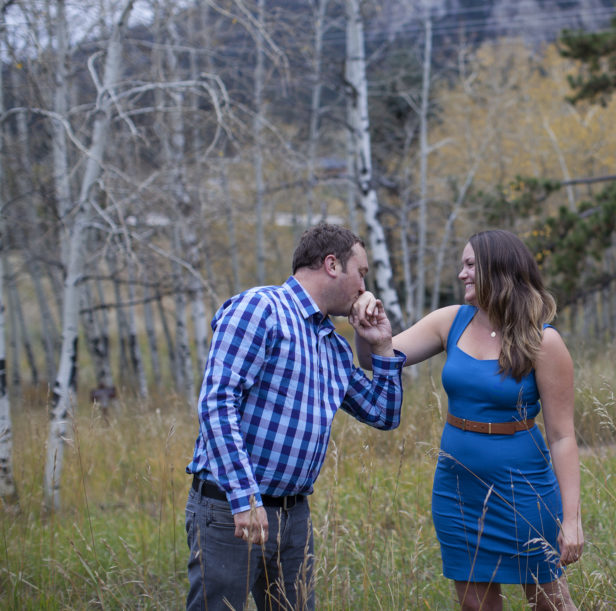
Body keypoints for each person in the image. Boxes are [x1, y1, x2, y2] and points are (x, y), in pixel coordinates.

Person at [184, 222, 404, 611]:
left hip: (293, 516)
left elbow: (383, 414)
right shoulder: (261, 309)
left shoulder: (332, 347)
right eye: (362, 274)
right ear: (332, 265)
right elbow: (217, 401)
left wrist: (382, 343)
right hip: (231, 509)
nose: (364, 289)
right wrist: (244, 497)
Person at [363, 229, 583, 611]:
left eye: (469, 265)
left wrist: (572, 518)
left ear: (497, 269)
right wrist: (367, 328)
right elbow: (377, 358)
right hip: (457, 489)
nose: (462, 274)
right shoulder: (451, 321)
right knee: (475, 606)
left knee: (550, 603)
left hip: (524, 490)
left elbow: (562, 436)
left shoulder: (543, 342)